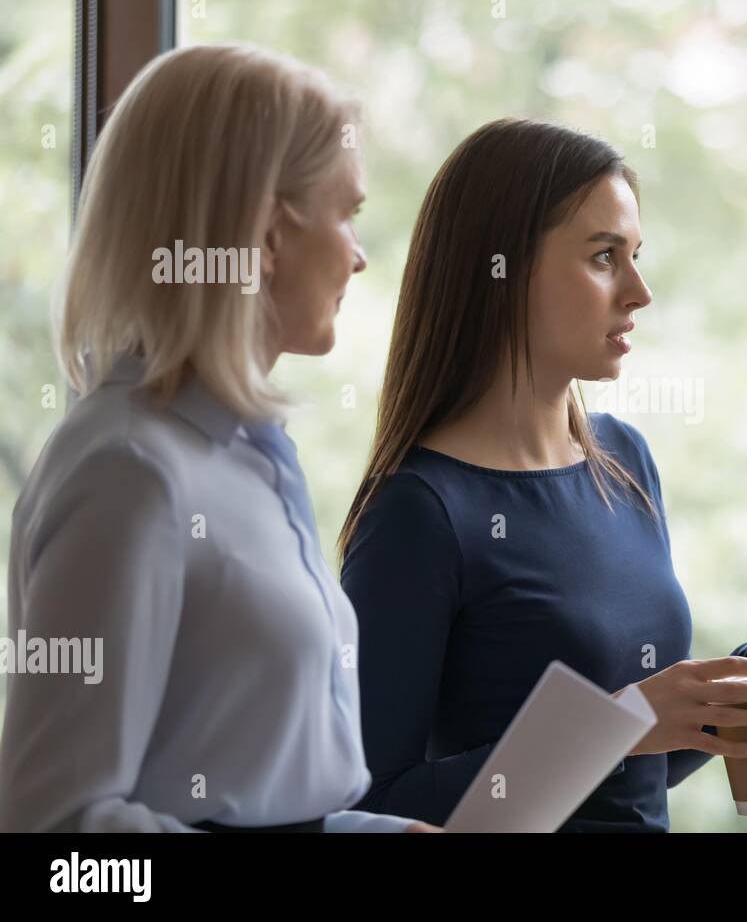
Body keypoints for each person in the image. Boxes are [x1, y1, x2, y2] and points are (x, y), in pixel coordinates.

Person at [339, 118, 747, 831]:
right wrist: (619, 725)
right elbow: (372, 806)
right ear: (499, 270)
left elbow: (648, 758)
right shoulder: (418, 513)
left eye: (635, 255)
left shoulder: (624, 461)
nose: (639, 291)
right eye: (603, 257)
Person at [0, 43, 432, 832]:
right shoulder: (128, 473)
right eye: (348, 214)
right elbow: (57, 836)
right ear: (267, 235)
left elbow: (263, 799)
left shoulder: (246, 457)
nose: (360, 256)